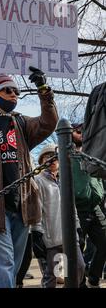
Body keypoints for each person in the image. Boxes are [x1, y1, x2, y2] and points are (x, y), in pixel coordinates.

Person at [0, 67, 58, 288]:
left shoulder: (21, 123)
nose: (14, 96)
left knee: (16, 263)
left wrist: (43, 89)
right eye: (8, 91)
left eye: (16, 92)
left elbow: (49, 123)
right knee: (4, 262)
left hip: (23, 204)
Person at [33, 144, 85, 288]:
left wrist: (78, 227)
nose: (52, 160)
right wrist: (37, 232)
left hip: (70, 236)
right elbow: (37, 209)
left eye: (54, 156)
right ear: (42, 160)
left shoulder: (65, 181)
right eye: (47, 157)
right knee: (52, 275)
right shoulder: (39, 181)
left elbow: (72, 207)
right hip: (53, 237)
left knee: (79, 267)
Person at [72, 123, 106, 288]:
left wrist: (102, 193)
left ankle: (93, 276)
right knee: (76, 248)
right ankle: (78, 282)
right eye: (78, 131)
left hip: (96, 207)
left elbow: (100, 177)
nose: (82, 134)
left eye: (84, 131)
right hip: (76, 208)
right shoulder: (66, 156)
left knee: (104, 242)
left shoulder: (94, 154)